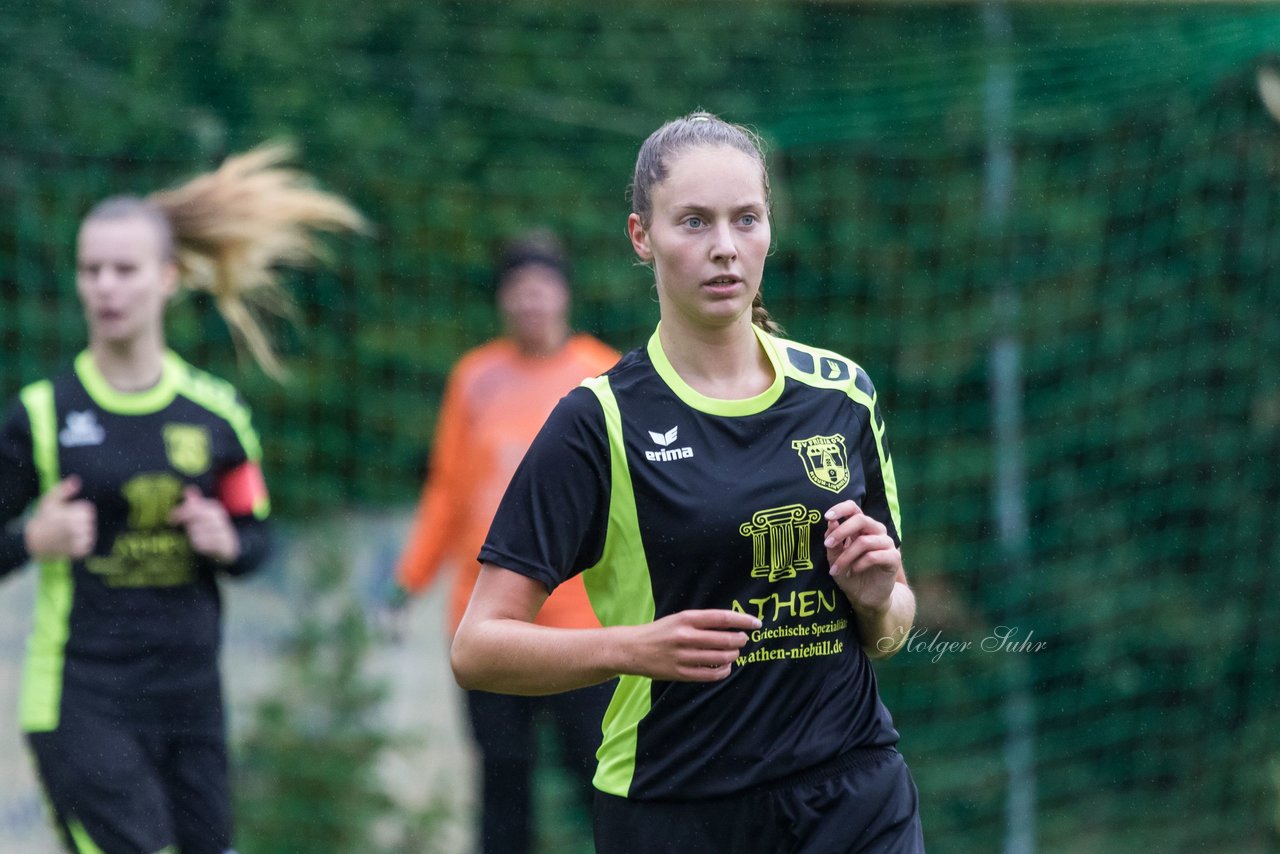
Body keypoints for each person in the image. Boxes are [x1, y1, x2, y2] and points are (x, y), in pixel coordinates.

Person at [451, 112, 924, 853]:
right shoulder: (597, 422)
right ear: (642, 236)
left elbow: (892, 625)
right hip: (678, 806)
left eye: (747, 220)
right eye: (695, 223)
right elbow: (477, 647)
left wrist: (875, 599)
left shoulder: (842, 394)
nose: (725, 249)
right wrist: (632, 648)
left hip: (853, 791)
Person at [0, 145, 364, 854]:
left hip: (190, 705)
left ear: (167, 278)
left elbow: (255, 536)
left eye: (125, 270)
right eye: (91, 270)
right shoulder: (42, 415)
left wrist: (227, 543)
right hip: (82, 701)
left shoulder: (217, 416)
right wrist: (28, 540)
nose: (106, 286)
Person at [392, 231, 619, 854]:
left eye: (541, 289)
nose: (530, 304)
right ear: (502, 302)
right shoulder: (475, 378)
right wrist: (408, 579)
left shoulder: (604, 376)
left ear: (564, 296)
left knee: (605, 781)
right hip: (488, 622)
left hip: (581, 628)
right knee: (502, 784)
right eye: (517, 292)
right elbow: (447, 488)